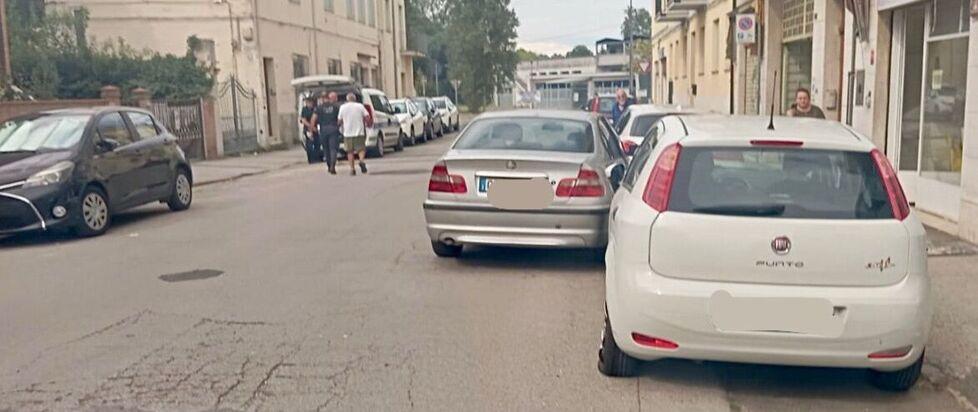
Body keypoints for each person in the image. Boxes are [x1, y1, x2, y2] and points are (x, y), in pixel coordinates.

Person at [338, 93, 371, 175]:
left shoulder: (343, 107)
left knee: (350, 151)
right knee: (361, 149)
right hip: (359, 131)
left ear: (347, 99)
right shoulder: (360, 106)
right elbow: (367, 116)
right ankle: (361, 160)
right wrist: (367, 123)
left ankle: (352, 169)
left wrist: (340, 124)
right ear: (355, 99)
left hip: (347, 133)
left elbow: (339, 120)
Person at [311, 92, 342, 174]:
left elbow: (313, 118)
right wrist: (338, 126)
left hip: (323, 130)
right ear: (329, 98)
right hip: (333, 129)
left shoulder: (319, 108)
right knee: (333, 149)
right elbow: (340, 119)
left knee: (326, 149)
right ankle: (333, 165)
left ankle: (329, 165)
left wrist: (313, 128)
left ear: (323, 99)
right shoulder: (336, 107)